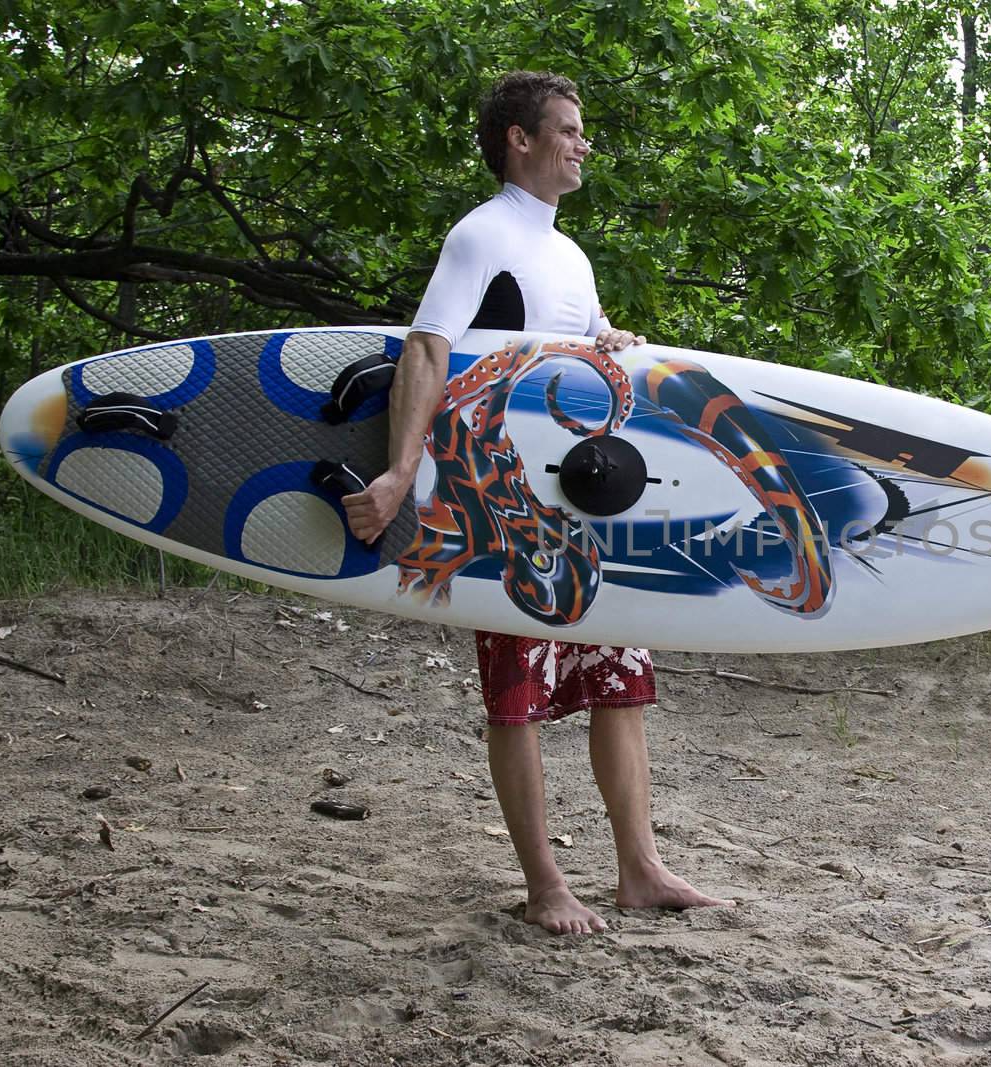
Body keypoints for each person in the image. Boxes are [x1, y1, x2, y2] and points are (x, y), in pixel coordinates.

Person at [342, 71, 728, 934]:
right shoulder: (481, 236)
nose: (584, 144)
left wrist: (610, 342)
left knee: (618, 684)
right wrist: (401, 472)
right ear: (521, 140)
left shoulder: (569, 253)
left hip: (584, 504)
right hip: (504, 500)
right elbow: (427, 350)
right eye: (569, 129)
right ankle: (545, 880)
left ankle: (640, 868)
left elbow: (574, 350)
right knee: (516, 694)